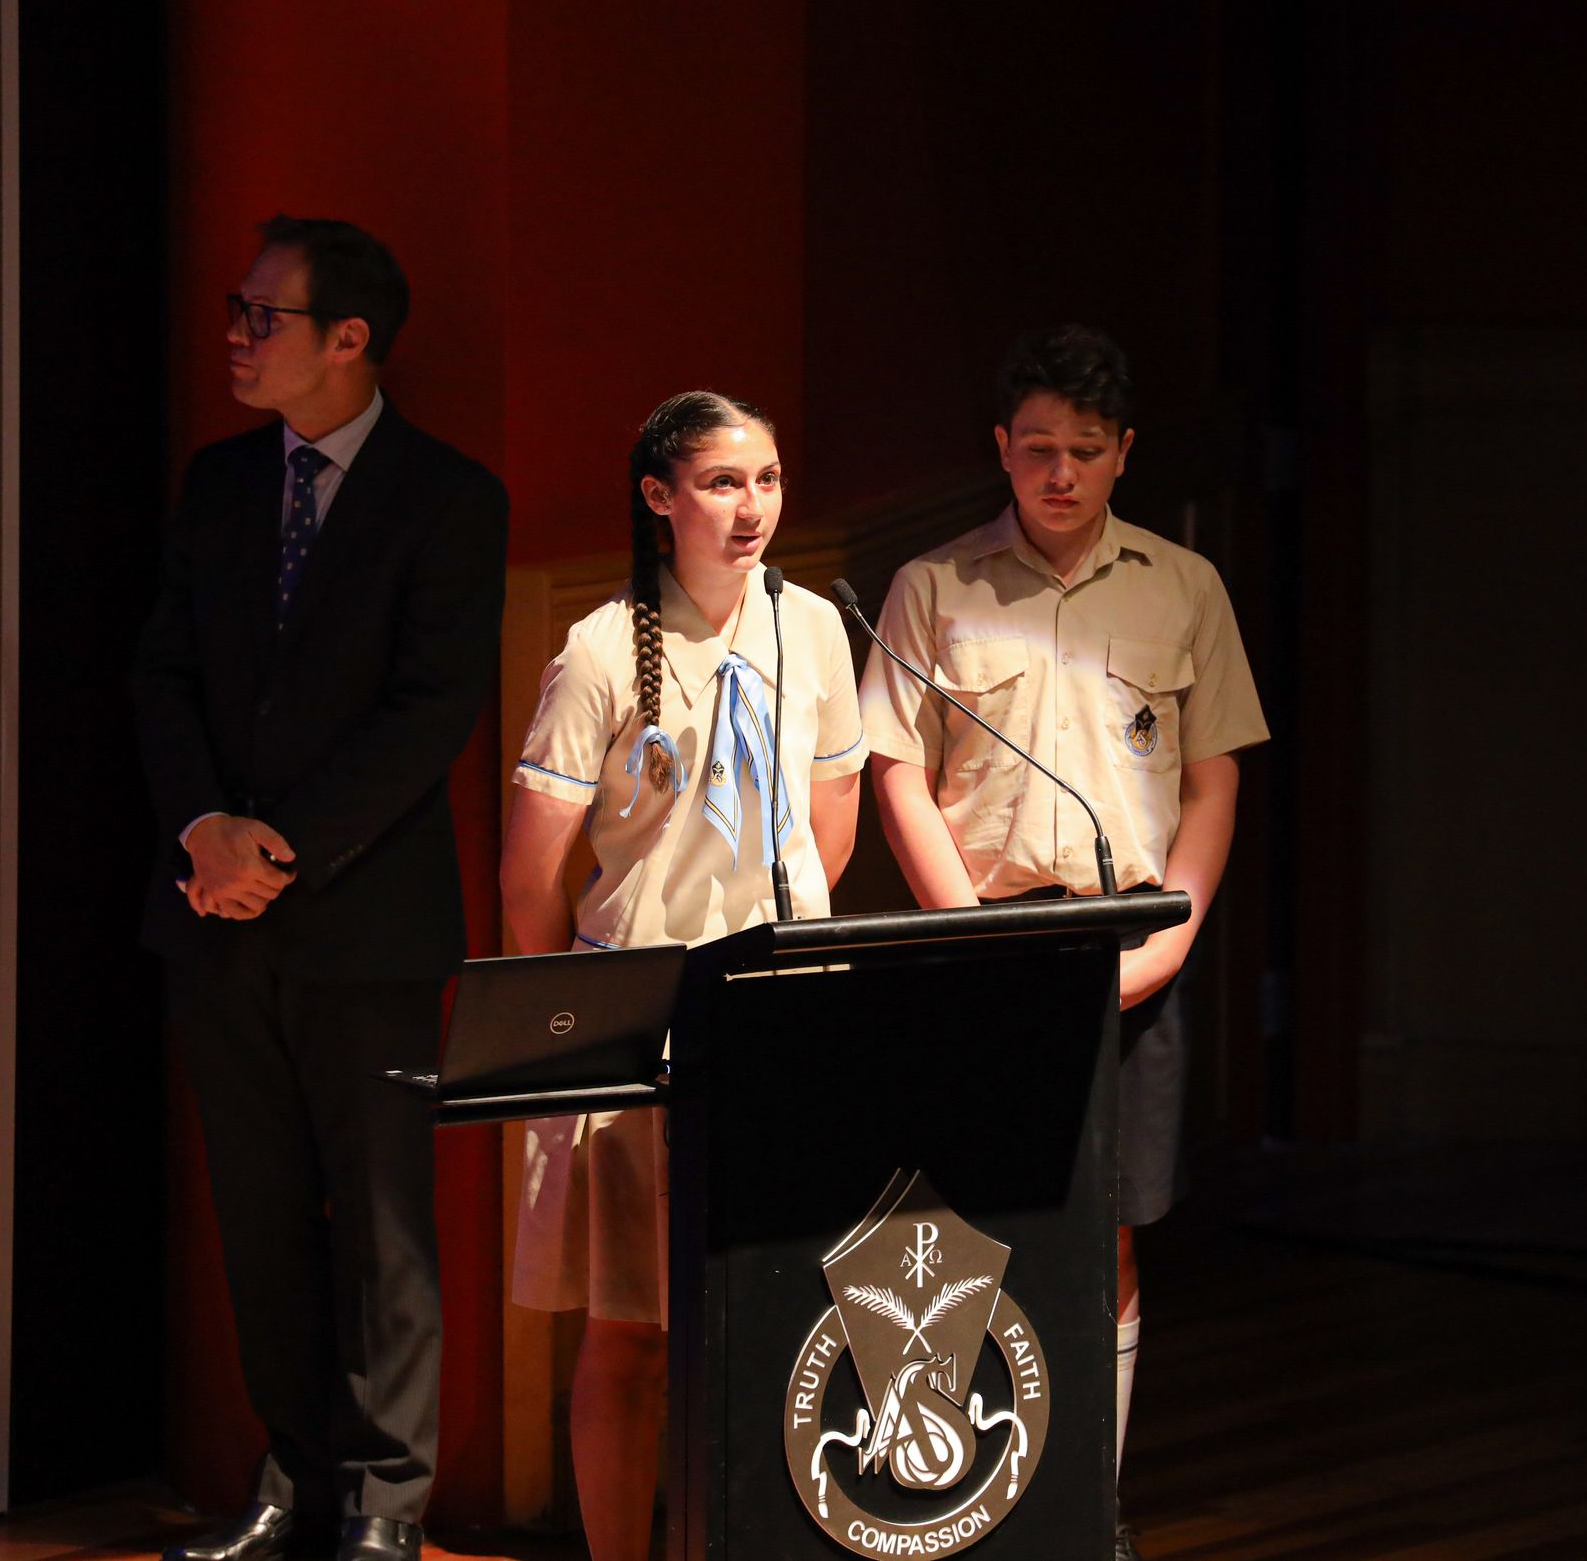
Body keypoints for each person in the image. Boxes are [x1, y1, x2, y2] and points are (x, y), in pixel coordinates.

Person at [857, 324, 1266, 1561]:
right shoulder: (933, 585)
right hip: (982, 942)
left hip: (1133, 938)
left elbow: (1214, 778)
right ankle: (973, 1499)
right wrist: (963, 930)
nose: (1059, 473)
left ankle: (1088, 1504)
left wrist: (1173, 938)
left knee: (1113, 1228)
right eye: (1036, 448)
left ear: (1123, 451)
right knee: (972, 1227)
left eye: (1084, 450)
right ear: (1000, 446)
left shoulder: (1183, 584)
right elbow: (895, 769)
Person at [133, 216, 509, 1561]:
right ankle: (291, 1480)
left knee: (385, 1227)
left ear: (348, 339)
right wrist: (204, 832)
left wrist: (276, 849)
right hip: (214, 913)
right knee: (262, 1217)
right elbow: (164, 672)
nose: (235, 334)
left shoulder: (449, 495)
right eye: (238, 309)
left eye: (262, 315)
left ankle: (383, 1504)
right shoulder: (220, 480)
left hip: (363, 919)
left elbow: (429, 711)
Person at [499, 391, 866, 1561]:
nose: (750, 506)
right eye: (720, 482)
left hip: (778, 1010)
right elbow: (530, 876)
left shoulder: (812, 625)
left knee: (777, 1316)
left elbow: (830, 821)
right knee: (633, 1329)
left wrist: (772, 946)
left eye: (765, 479)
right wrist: (575, 1027)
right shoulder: (604, 649)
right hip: (645, 1018)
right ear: (660, 497)